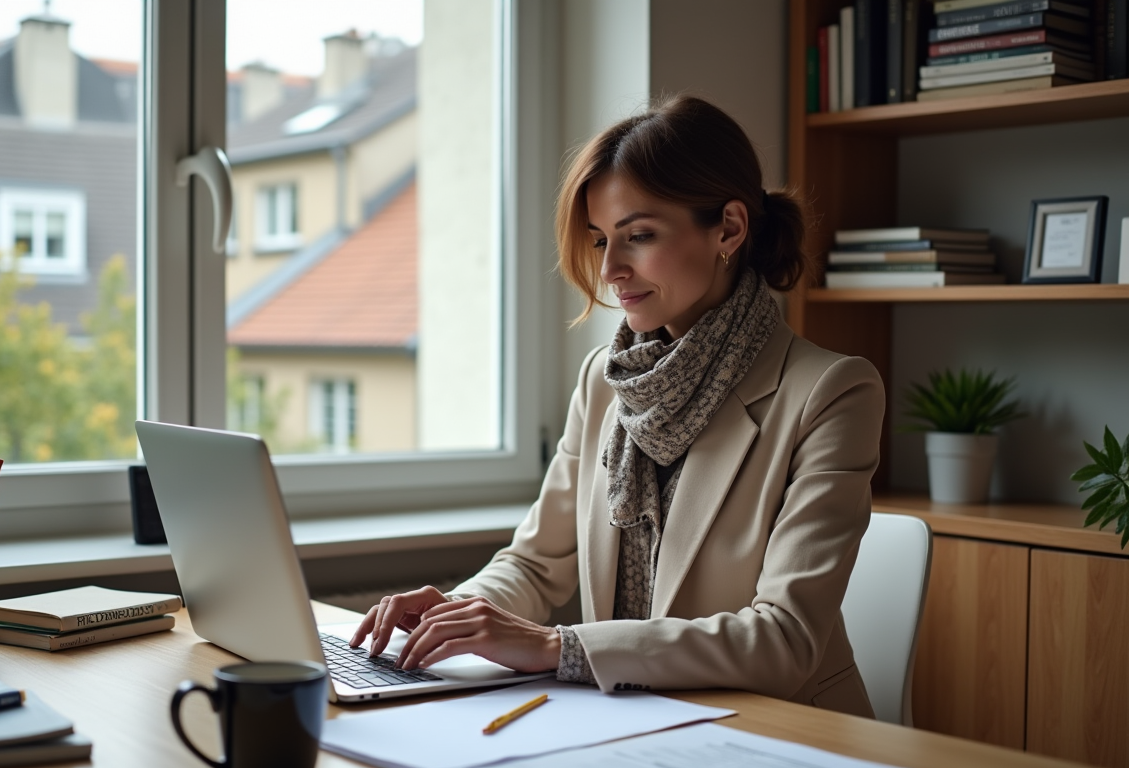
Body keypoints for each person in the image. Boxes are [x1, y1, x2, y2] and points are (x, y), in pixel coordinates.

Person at [349, 96, 883, 717]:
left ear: (729, 229)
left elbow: (782, 640)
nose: (609, 269)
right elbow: (533, 563)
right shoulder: (604, 380)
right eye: (601, 240)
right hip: (634, 723)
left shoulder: (832, 392)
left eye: (640, 236)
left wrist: (558, 646)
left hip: (784, 736)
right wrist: (452, 618)